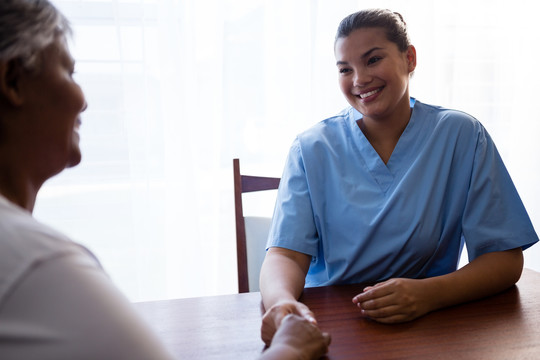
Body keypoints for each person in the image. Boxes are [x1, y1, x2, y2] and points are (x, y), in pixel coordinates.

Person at [0, 1, 330, 359]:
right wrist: (290, 349)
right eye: (69, 73)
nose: (83, 101)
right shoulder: (35, 263)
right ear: (13, 80)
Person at [259, 8, 539, 345]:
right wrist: (282, 303)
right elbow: (285, 254)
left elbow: (505, 258)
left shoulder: (460, 135)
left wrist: (429, 295)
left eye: (373, 60)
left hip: (435, 327)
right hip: (333, 329)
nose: (359, 79)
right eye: (345, 69)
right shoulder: (312, 148)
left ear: (410, 58)